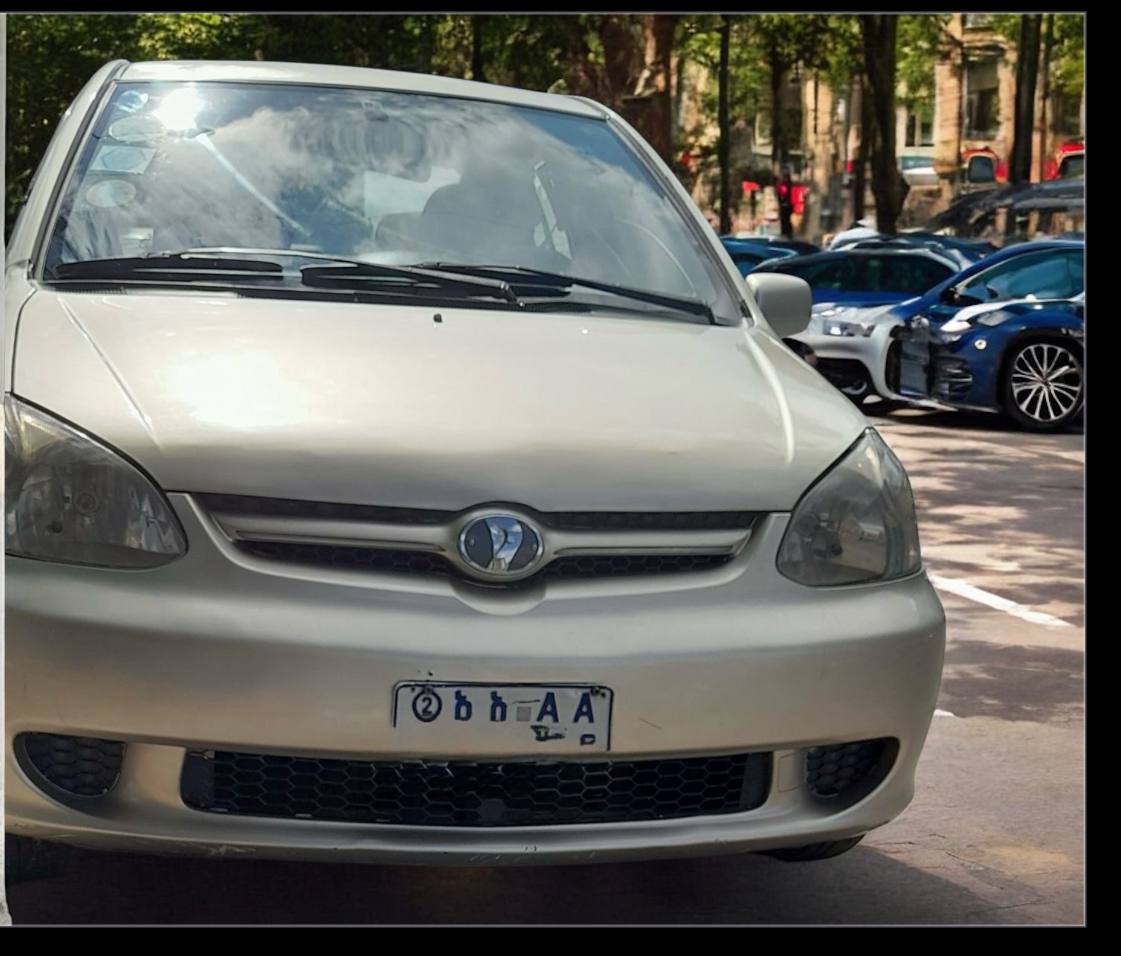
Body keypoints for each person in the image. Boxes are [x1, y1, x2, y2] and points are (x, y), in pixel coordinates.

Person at [777, 168, 794, 239]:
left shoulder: (784, 185)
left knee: (785, 219)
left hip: (786, 205)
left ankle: (786, 232)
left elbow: (781, 195)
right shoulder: (789, 185)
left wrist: (782, 200)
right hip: (787, 205)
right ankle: (787, 232)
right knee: (786, 219)